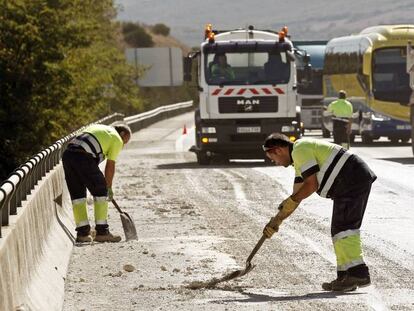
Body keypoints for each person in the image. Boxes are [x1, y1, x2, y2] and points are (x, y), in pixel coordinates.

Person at [262, 133, 376, 292]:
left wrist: (290, 203)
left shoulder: (300, 149)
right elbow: (296, 197)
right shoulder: (299, 160)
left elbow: (311, 185)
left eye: (272, 158)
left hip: (352, 178)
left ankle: (359, 273)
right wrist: (277, 220)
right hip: (348, 181)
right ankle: (345, 276)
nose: (275, 163)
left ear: (278, 150)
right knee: (338, 230)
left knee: (345, 228)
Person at [62, 123, 131, 243]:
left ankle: (82, 234)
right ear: (122, 134)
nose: (123, 145)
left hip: (68, 155)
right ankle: (102, 232)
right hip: (83, 156)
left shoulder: (98, 128)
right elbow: (110, 166)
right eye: (125, 141)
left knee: (78, 196)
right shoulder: (116, 138)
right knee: (101, 191)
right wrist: (108, 187)